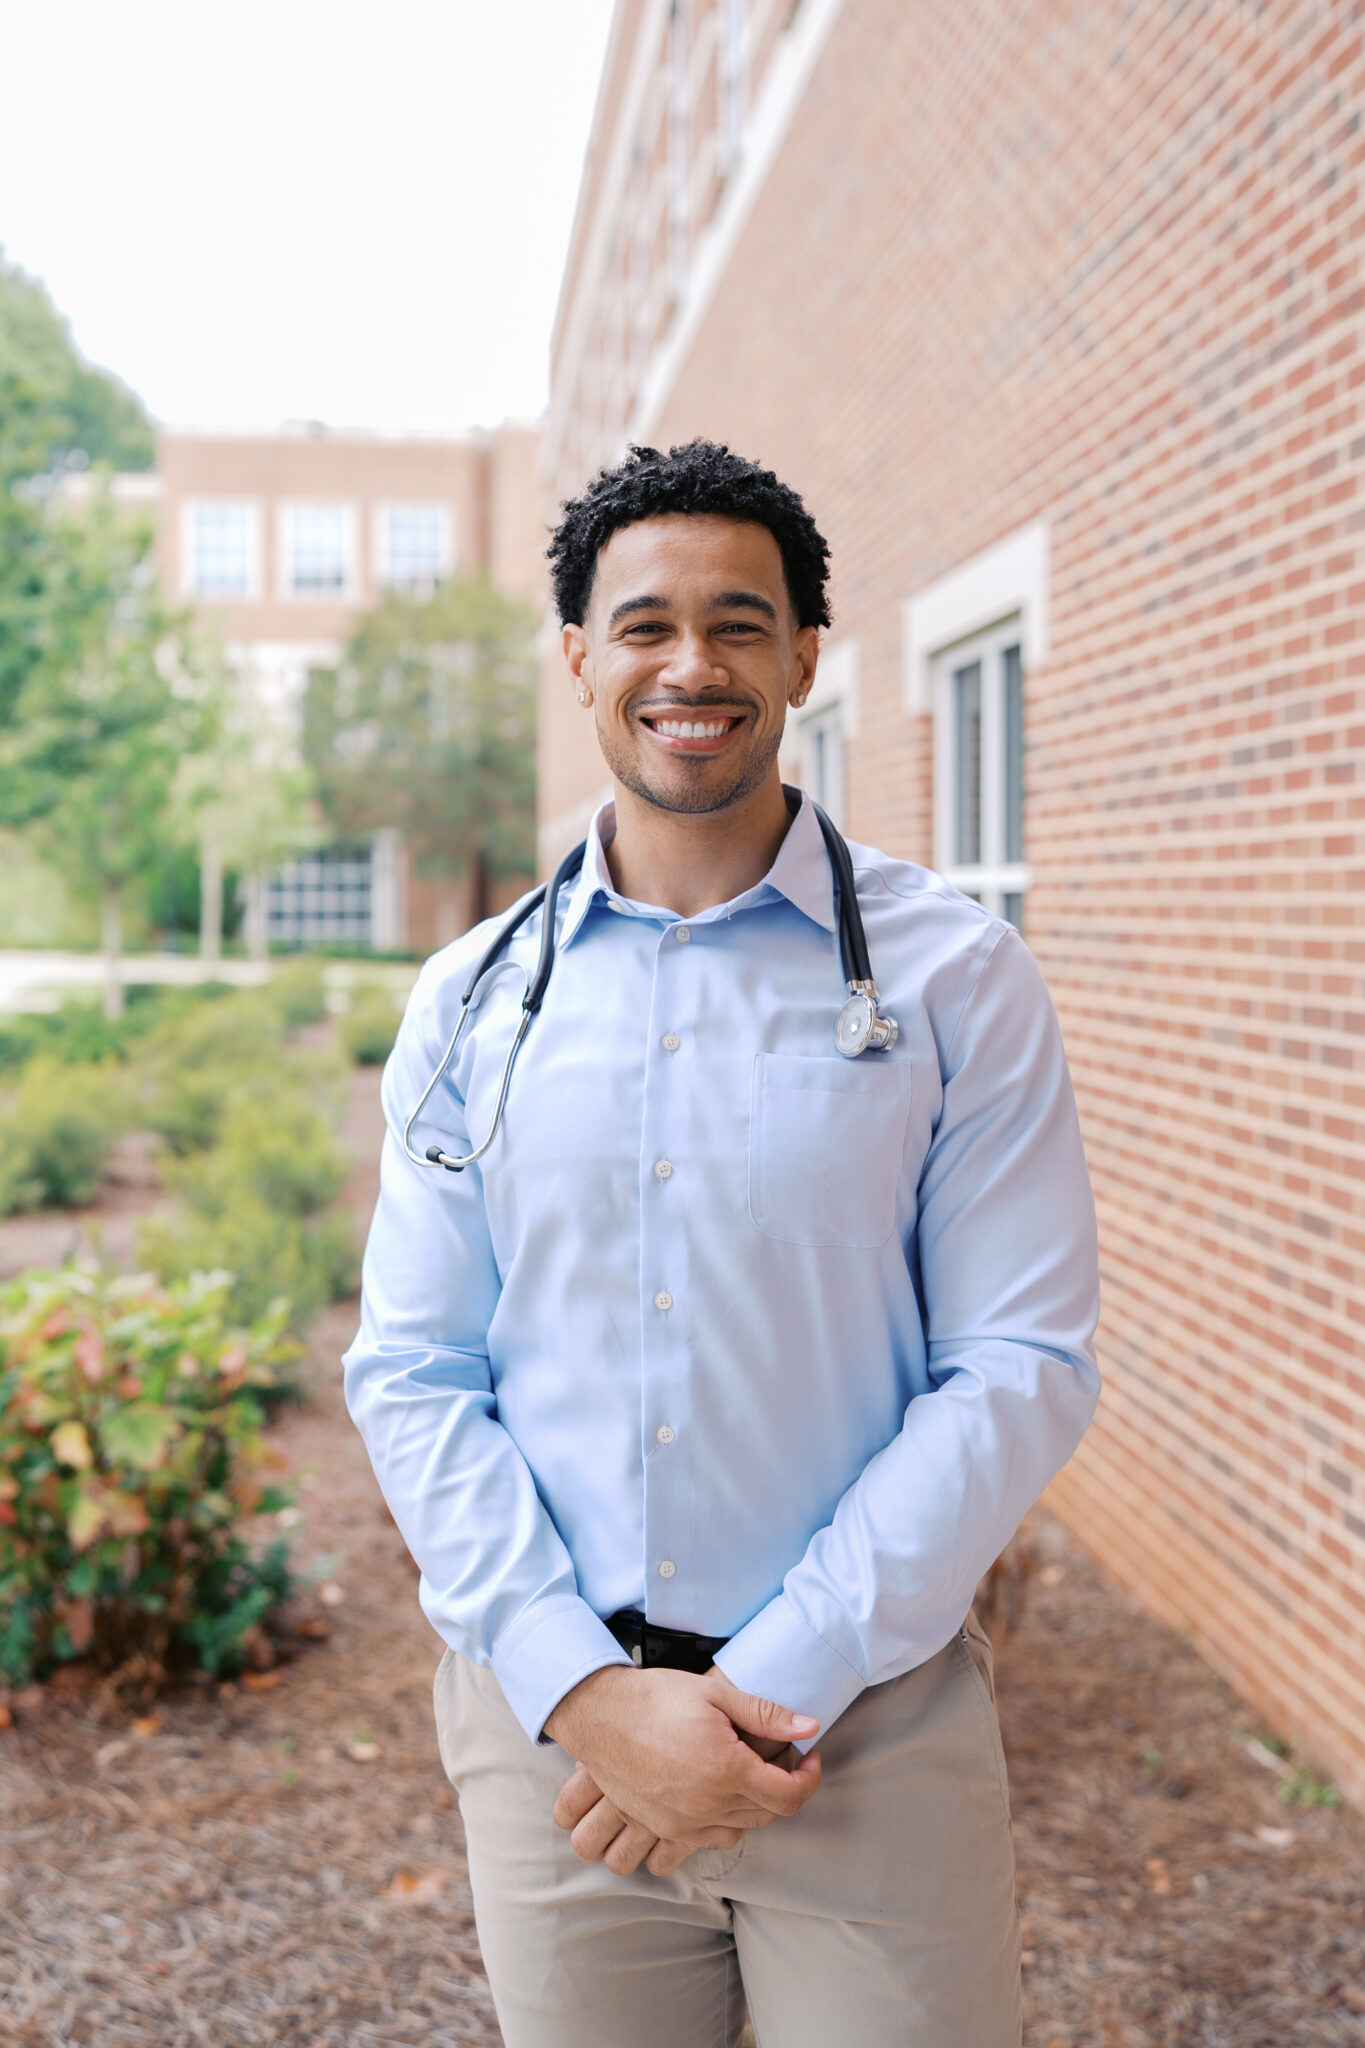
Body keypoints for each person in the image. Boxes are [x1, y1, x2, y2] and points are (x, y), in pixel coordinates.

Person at [343, 439, 1101, 2047]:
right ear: (577, 659)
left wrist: (778, 1680)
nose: (691, 665)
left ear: (806, 656)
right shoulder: (471, 999)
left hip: (862, 1740)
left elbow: (1017, 1363)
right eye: (643, 625)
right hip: (559, 1752)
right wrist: (581, 1692)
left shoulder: (954, 978)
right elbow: (414, 1371)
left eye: (740, 624)